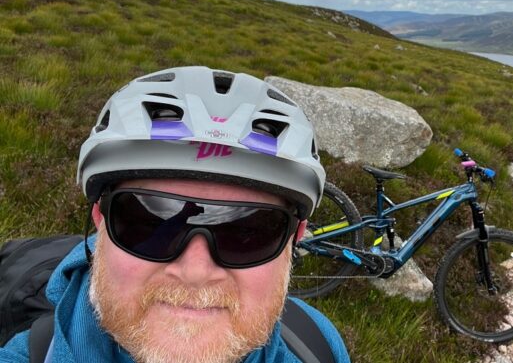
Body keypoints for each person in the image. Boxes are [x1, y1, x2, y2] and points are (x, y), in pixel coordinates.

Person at [0, 66, 350, 363]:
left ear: (295, 239)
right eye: (147, 220)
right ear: (100, 220)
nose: (195, 272)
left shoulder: (317, 343)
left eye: (248, 230)